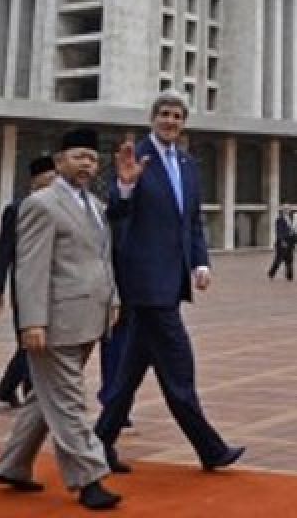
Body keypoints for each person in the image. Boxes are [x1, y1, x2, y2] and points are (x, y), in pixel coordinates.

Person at [95, 91, 244, 474]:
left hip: (171, 280)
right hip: (144, 280)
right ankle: (210, 448)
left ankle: (98, 443)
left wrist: (200, 263)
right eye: (164, 115)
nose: (170, 121)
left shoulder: (188, 164)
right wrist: (126, 186)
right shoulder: (136, 159)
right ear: (152, 119)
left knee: (129, 372)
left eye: (177, 116)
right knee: (179, 368)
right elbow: (116, 211)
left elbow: (191, 221)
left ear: (184, 122)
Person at [0, 128, 122, 511]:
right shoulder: (41, 205)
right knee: (68, 402)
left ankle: (12, 466)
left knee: (44, 397)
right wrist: (31, 321)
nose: (87, 164)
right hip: (54, 321)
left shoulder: (96, 207)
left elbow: (104, 260)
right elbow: (30, 268)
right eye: (79, 156)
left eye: (93, 159)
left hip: (90, 317)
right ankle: (90, 478)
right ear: (60, 160)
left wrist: (113, 299)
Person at [0, 155, 56, 408]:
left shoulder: (59, 206)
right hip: (24, 283)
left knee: (39, 342)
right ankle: (23, 391)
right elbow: (4, 250)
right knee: (29, 340)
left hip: (53, 283)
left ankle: (13, 389)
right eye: (49, 179)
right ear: (35, 180)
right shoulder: (17, 208)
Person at [267, 207, 295, 281]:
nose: (288, 210)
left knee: (289, 259)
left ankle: (289, 276)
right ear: (283, 211)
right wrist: (282, 240)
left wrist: (293, 235)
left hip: (290, 242)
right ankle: (271, 273)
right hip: (282, 242)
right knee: (278, 259)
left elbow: (291, 230)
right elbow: (279, 231)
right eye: (286, 209)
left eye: (289, 209)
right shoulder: (279, 219)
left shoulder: (290, 219)